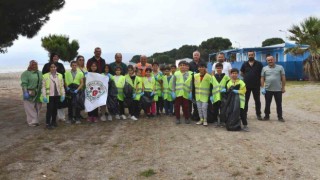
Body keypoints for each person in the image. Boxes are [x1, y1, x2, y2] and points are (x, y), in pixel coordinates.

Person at [42, 53, 66, 122]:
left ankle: (58, 119)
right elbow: (43, 80)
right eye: (54, 56)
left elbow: (63, 77)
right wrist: (44, 96)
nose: (56, 57)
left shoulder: (61, 65)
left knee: (59, 106)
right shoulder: (46, 66)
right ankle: (48, 122)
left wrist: (63, 93)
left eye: (57, 56)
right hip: (49, 91)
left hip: (58, 90)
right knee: (50, 108)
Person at [260, 55, 286, 122]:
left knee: (279, 104)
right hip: (268, 90)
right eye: (268, 60)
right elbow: (262, 78)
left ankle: (280, 117)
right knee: (267, 103)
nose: (270, 61)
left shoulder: (280, 67)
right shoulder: (264, 68)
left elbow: (283, 78)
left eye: (271, 60)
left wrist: (283, 87)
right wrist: (262, 87)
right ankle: (266, 116)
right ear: (267, 61)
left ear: (274, 60)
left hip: (278, 90)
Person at [240, 51, 263, 120]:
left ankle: (258, 114)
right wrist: (247, 77)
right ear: (248, 56)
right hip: (246, 86)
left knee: (257, 100)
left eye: (252, 55)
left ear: (254, 55)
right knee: (246, 100)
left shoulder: (259, 64)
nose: (251, 56)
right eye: (249, 55)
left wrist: (262, 85)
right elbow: (241, 73)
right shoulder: (244, 64)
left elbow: (262, 74)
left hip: (256, 85)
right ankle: (244, 114)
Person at [21, 60, 43, 127]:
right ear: (30, 65)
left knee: (38, 108)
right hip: (29, 92)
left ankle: (36, 120)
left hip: (39, 93)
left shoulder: (40, 73)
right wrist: (25, 92)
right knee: (30, 108)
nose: (34, 66)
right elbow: (24, 84)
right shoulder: (26, 73)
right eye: (33, 64)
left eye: (35, 64)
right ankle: (32, 122)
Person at [189, 50, 205, 121]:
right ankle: (195, 114)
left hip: (201, 83)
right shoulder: (190, 63)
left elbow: (206, 71)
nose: (196, 56)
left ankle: (201, 115)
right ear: (193, 56)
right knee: (194, 100)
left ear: (199, 56)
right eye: (195, 55)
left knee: (200, 99)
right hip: (193, 83)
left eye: (197, 55)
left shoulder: (203, 62)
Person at [194, 62, 212, 126]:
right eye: (200, 67)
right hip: (197, 95)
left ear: (205, 68)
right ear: (198, 68)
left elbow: (212, 85)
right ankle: (201, 119)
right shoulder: (195, 76)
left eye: (202, 67)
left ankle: (205, 120)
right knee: (199, 108)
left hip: (205, 96)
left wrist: (211, 95)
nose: (201, 68)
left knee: (204, 108)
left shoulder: (209, 76)